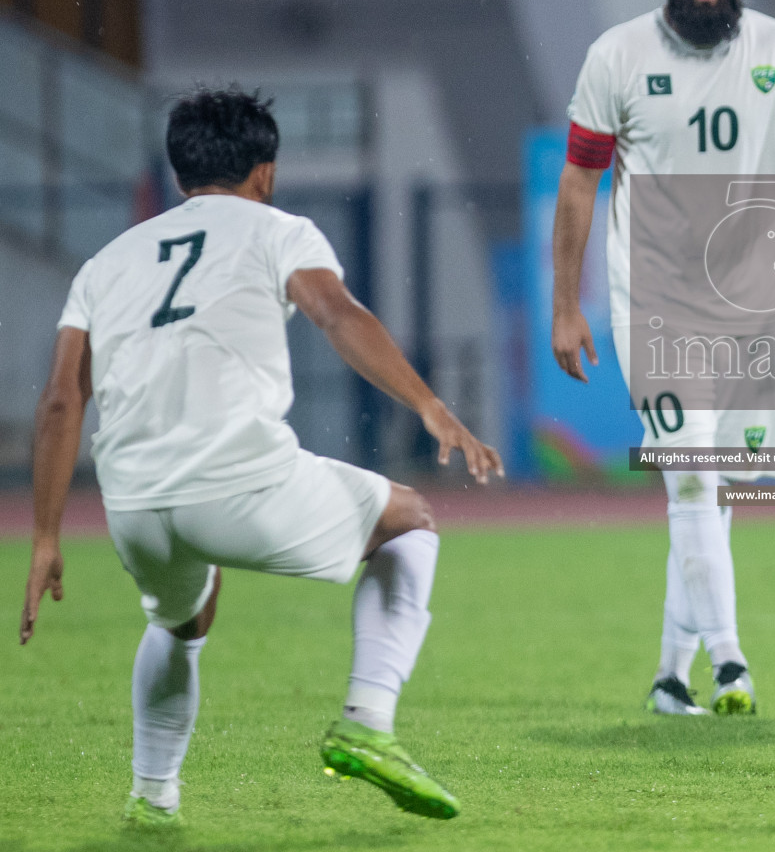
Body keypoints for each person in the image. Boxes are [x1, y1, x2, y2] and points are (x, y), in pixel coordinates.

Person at [20, 88, 503, 826]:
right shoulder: (280, 229)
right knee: (409, 520)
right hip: (237, 486)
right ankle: (368, 723)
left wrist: (48, 536)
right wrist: (430, 406)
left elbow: (60, 401)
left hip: (133, 503)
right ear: (266, 172)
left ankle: (153, 800)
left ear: (181, 173)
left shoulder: (105, 262)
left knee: (184, 620)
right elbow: (336, 313)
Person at [550, 0, 775, 716]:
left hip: (745, 308)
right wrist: (566, 305)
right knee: (690, 480)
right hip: (654, 303)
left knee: (720, 490)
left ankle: (671, 677)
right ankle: (732, 662)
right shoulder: (618, 56)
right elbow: (579, 182)